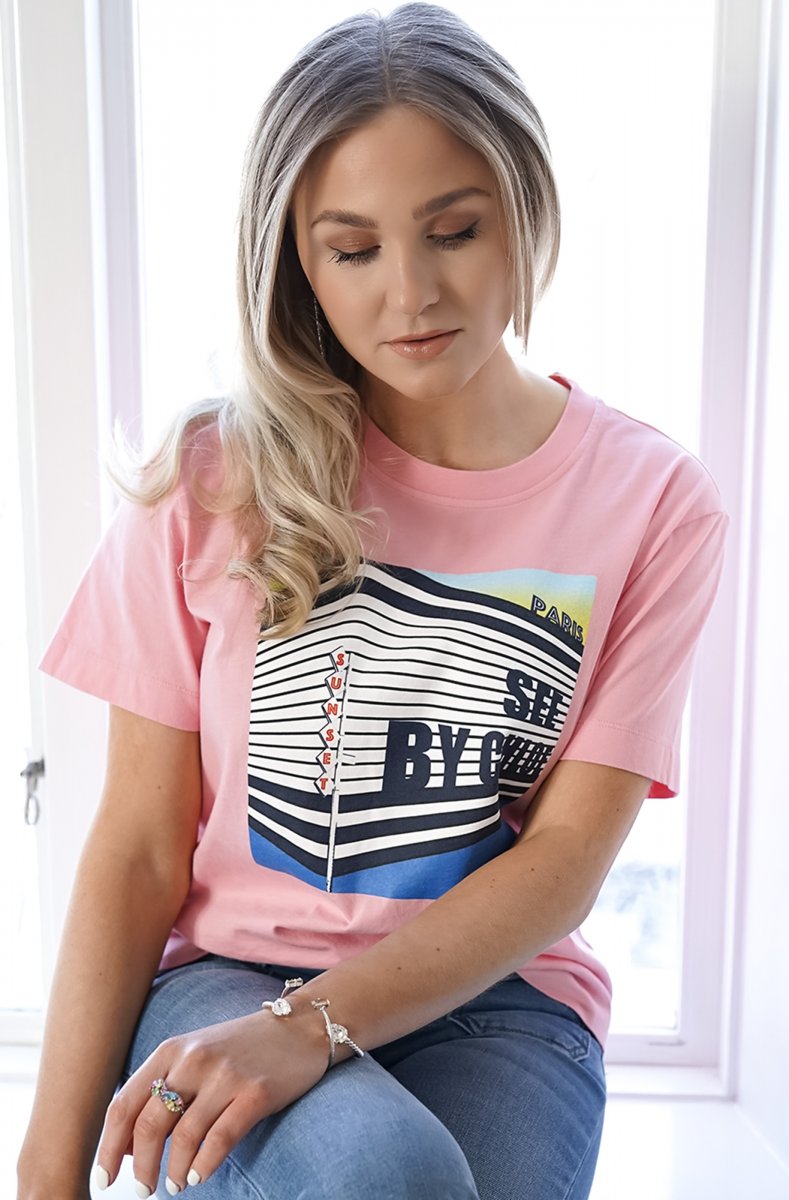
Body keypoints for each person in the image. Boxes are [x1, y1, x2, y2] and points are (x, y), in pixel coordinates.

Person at [17, 5, 728, 1199]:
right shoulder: (212, 479)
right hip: (228, 979)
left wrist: (315, 1028)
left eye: (455, 230)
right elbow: (138, 849)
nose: (411, 293)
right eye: (353, 250)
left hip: (500, 997)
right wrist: (45, 1178)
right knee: (388, 1173)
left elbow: (566, 857)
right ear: (298, 262)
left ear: (527, 211)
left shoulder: (653, 500)